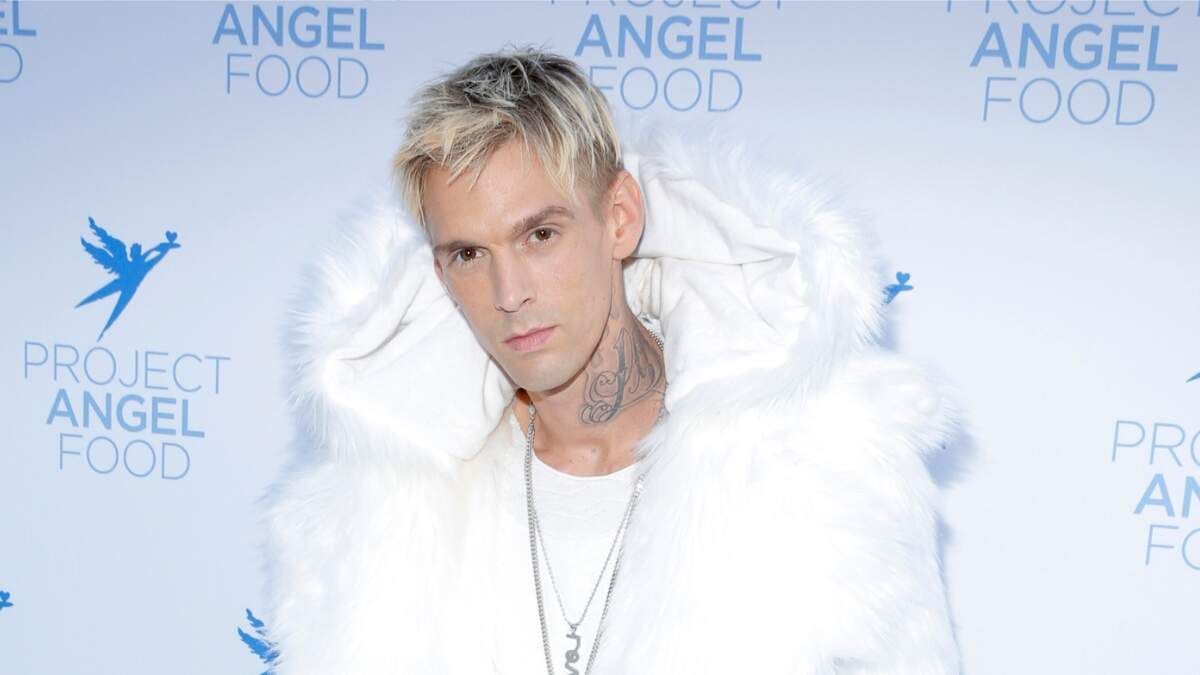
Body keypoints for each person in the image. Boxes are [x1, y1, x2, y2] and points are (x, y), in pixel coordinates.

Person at [258, 46, 965, 674]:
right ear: (440, 269)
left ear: (619, 217)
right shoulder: (374, 514)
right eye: (469, 254)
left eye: (540, 234)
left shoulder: (830, 465)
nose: (508, 293)